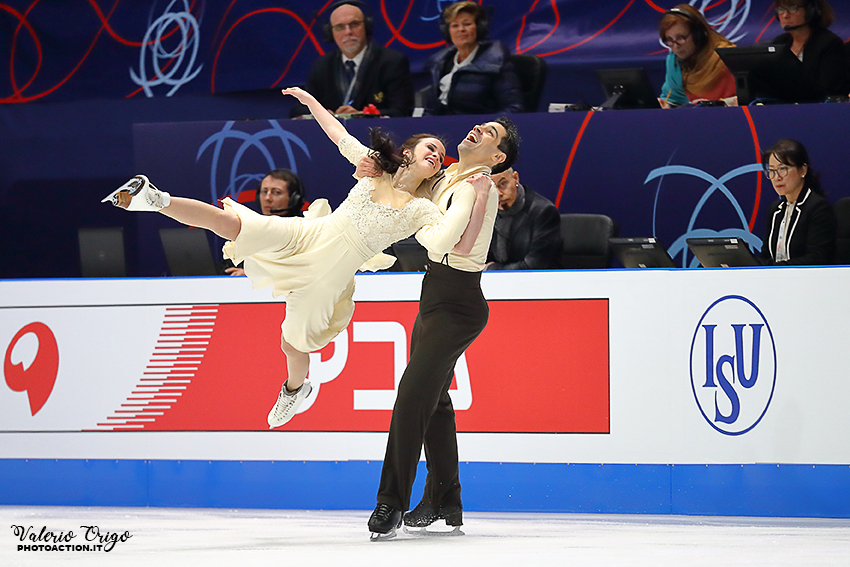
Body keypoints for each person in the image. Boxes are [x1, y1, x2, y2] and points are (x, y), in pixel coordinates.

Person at [103, 86, 493, 430]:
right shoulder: (374, 168)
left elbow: (447, 243)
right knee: (234, 224)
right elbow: (339, 135)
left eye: (440, 154)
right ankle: (154, 199)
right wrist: (310, 101)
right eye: (430, 148)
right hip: (311, 234)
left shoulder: (423, 209)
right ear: (408, 153)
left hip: (332, 272)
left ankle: (294, 389)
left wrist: (476, 198)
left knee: (294, 344)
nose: (436, 155)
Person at [365, 117, 520, 539]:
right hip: (434, 294)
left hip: (458, 302)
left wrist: (420, 219)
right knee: (434, 402)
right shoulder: (450, 175)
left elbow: (443, 243)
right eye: (481, 124)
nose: (479, 129)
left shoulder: (477, 187)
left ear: (497, 156)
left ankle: (390, 502)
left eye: (490, 133)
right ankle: (444, 499)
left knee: (412, 397)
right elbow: (403, 194)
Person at [290, 0, 414, 118]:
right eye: (340, 27)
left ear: (366, 26)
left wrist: (361, 115)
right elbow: (298, 110)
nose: (348, 32)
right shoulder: (322, 66)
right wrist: (322, 113)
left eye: (354, 24)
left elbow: (402, 111)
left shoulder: (392, 62)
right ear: (330, 32)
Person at [423, 1, 524, 115]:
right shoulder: (439, 65)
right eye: (455, 25)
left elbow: (514, 108)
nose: (461, 29)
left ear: (479, 28)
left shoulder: (498, 64)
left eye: (467, 24)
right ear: (447, 31)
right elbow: (430, 111)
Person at [760, 138, 836, 265]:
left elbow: (817, 258)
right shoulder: (775, 209)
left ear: (802, 170)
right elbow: (765, 255)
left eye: (783, 169)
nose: (777, 177)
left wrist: (776, 268)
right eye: (772, 171)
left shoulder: (818, 208)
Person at [224, 169, 306, 276]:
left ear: (294, 199)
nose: (267, 198)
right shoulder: (251, 227)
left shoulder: (305, 229)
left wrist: (253, 274)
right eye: (264, 191)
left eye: (276, 192)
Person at [658, 5, 737, 108]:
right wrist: (665, 105)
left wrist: (716, 104)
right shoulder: (674, 61)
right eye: (669, 40)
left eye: (681, 38)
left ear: (698, 35)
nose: (676, 46)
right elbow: (672, 100)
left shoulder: (728, 58)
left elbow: (749, 98)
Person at [769, 0, 849, 100]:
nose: (785, 15)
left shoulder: (828, 43)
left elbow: (828, 89)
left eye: (792, 8)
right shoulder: (779, 42)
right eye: (781, 9)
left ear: (812, 12)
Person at [485, 167, 562, 270]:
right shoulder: (486, 212)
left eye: (503, 184)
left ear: (516, 178)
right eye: (491, 188)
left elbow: (535, 265)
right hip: (493, 279)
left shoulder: (544, 212)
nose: (498, 193)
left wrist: (492, 268)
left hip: (537, 278)